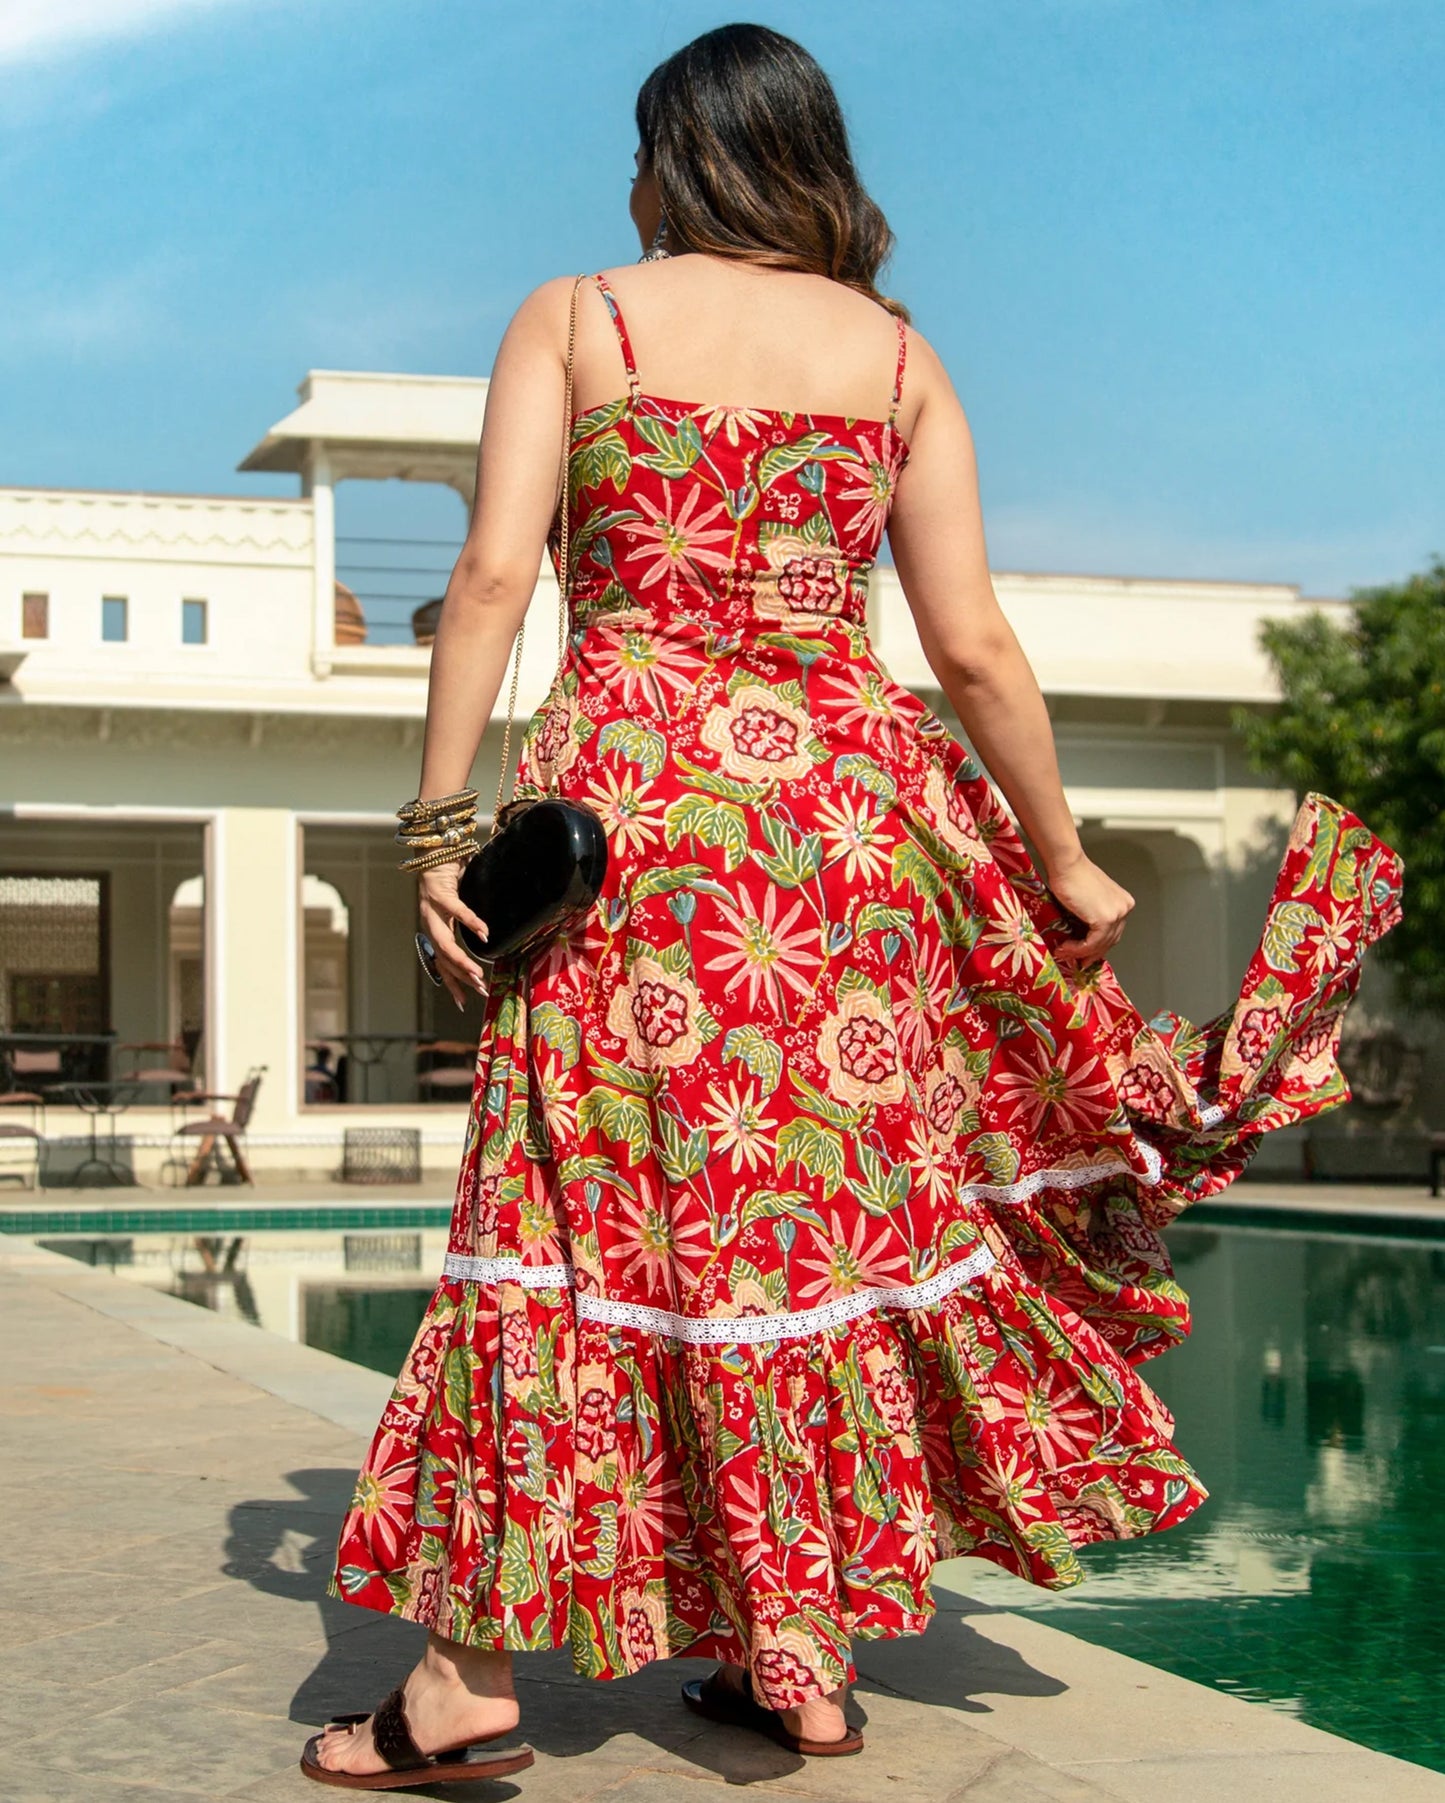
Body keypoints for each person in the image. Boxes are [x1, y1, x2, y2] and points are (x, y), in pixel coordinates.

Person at [302, 22, 1404, 1789]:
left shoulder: (584, 315)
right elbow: (969, 644)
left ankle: (459, 1684)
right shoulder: (896, 358)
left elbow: (495, 573)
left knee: (579, 1228)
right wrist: (1056, 859)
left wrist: (440, 828)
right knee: (799, 1230)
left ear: (674, 157)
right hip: (838, 855)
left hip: (640, 835)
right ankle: (794, 1664)